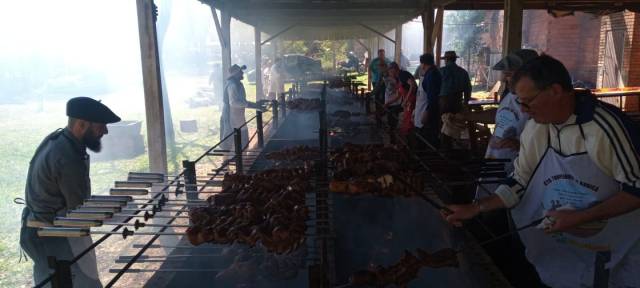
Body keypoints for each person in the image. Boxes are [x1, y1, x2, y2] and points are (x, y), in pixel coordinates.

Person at [443, 55, 640, 287]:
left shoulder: (604, 127)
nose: (524, 112)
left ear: (555, 91)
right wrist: (476, 208)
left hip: (613, 248)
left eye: (528, 102)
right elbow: (519, 182)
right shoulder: (537, 128)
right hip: (564, 244)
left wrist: (578, 217)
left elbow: (636, 190)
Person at [20, 97, 120, 287]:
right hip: (54, 237)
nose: (105, 131)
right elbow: (79, 212)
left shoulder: (58, 138)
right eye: (101, 126)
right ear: (82, 124)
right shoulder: (68, 156)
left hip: (40, 231)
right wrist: (118, 213)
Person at [462, 49, 538, 189]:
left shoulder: (538, 103)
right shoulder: (509, 93)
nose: (503, 79)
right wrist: (466, 117)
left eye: (508, 74)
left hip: (519, 170)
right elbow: (501, 115)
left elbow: (546, 145)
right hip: (495, 160)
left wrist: (519, 145)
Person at [220, 64, 262, 149]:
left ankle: (241, 156)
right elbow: (234, 102)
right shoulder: (232, 85)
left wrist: (255, 105)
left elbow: (240, 100)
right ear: (235, 74)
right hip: (232, 114)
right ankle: (234, 158)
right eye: (240, 72)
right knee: (235, 137)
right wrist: (252, 105)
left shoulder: (238, 84)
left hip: (238, 114)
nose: (242, 74)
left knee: (241, 135)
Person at [439, 51, 472, 149]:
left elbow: (435, 87)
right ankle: (455, 146)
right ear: (455, 59)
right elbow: (468, 89)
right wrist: (465, 103)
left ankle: (444, 147)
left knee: (444, 123)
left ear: (446, 60)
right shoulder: (463, 72)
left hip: (443, 101)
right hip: (457, 101)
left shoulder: (441, 71)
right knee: (456, 123)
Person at [415, 53, 442, 148]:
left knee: (428, 137)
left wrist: (427, 112)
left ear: (423, 64)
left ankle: (429, 155)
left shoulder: (431, 75)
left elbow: (433, 97)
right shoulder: (433, 72)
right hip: (431, 107)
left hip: (431, 109)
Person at [385, 62, 417, 137]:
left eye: (389, 71)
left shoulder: (403, 74)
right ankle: (395, 131)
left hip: (411, 100)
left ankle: (410, 139)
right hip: (407, 101)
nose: (389, 73)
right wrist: (387, 103)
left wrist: (405, 100)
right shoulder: (399, 77)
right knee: (401, 116)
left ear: (393, 69)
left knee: (408, 119)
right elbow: (398, 95)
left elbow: (413, 85)